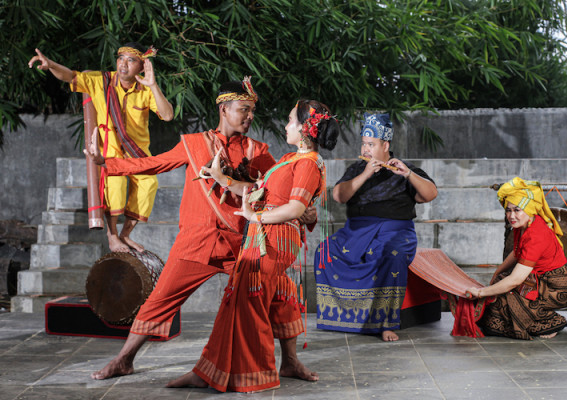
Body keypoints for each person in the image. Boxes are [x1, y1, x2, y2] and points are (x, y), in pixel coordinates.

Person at [84, 78, 316, 382]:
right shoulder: (193, 145)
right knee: (160, 299)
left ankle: (290, 362)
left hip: (241, 241)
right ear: (223, 108)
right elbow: (153, 164)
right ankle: (124, 360)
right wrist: (107, 164)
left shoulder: (258, 151)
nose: (249, 117)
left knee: (281, 290)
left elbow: (281, 188)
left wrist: (306, 211)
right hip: (196, 240)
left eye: (251, 111)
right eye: (243, 110)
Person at [166, 99, 340, 392]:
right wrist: (222, 179)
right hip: (265, 239)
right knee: (247, 299)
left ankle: (251, 376)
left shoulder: (308, 163)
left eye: (289, 121)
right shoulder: (291, 159)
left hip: (271, 242)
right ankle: (212, 370)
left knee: (247, 304)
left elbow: (296, 207)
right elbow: (259, 191)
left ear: (304, 128)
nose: (285, 125)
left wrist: (253, 215)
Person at [28, 44, 174, 253]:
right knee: (115, 188)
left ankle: (125, 235)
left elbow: (168, 115)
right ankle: (112, 235)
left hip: (136, 153)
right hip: (110, 153)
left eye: (131, 60)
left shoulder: (145, 90)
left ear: (142, 67)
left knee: (149, 184)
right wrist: (50, 64)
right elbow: (70, 76)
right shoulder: (101, 81)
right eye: (120, 58)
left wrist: (153, 85)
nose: (123, 64)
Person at [314, 113, 437, 342]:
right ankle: (342, 316)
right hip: (357, 232)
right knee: (324, 250)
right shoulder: (357, 169)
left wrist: (408, 174)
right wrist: (365, 173)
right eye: (364, 143)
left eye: (371, 144)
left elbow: (430, 194)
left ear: (385, 145)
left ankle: (385, 322)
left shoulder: (404, 168)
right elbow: (339, 196)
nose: (366, 148)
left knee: (393, 254)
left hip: (396, 232)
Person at [465, 177, 567, 340]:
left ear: (530, 209)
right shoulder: (522, 225)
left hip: (557, 286)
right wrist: (498, 272)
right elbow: (517, 253)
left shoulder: (536, 234)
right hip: (540, 279)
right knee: (498, 291)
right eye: (508, 210)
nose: (511, 215)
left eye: (517, 210)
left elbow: (515, 280)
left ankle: (551, 322)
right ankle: (533, 319)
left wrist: (481, 292)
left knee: (507, 295)